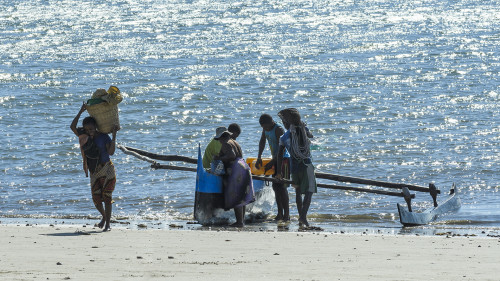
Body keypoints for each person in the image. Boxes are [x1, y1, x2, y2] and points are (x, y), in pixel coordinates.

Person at [70, 103, 119, 232]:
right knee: (96, 199)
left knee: (107, 197)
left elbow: (111, 152)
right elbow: (72, 126)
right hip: (94, 171)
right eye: (87, 129)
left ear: (96, 127)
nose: (89, 131)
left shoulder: (103, 137)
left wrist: (114, 136)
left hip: (107, 169)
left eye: (91, 129)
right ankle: (104, 217)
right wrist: (81, 111)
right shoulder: (84, 137)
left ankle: (108, 224)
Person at [275, 108, 316, 228]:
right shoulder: (303, 130)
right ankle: (303, 217)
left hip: (294, 167)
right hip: (305, 164)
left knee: (298, 191)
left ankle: (300, 217)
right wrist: (304, 129)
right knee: (309, 190)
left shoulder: (284, 137)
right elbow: (311, 136)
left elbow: (279, 155)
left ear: (286, 123)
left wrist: (278, 172)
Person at [213, 127, 254, 227]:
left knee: (236, 195)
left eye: (219, 139)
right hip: (244, 166)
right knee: (242, 196)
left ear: (222, 137)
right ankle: (241, 221)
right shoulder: (234, 141)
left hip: (236, 169)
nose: (219, 141)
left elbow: (231, 155)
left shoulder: (225, 143)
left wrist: (219, 158)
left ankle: (239, 222)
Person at [256, 114, 290, 221]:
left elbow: (283, 149)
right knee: (276, 187)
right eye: (263, 128)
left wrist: (272, 161)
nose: (265, 129)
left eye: (266, 127)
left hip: (284, 160)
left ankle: (286, 215)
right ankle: (280, 213)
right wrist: (259, 157)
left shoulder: (278, 130)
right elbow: (262, 141)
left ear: (271, 122)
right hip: (275, 159)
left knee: (282, 187)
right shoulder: (265, 129)